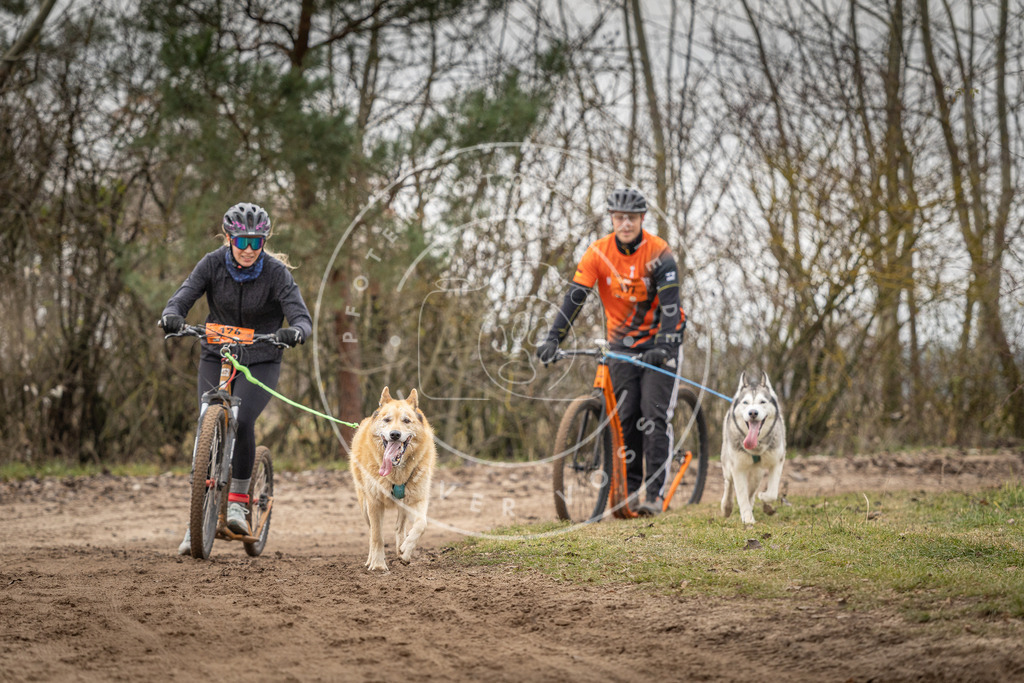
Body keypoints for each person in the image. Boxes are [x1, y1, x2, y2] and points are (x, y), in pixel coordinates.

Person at [159, 202, 312, 555]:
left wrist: (296, 332)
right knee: (205, 420)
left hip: (261, 358)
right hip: (218, 352)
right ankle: (196, 519)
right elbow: (183, 296)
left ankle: (240, 502)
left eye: (256, 242)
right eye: (241, 241)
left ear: (264, 241)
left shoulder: (275, 273)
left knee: (241, 420)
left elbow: (300, 316)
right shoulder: (212, 263)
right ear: (228, 237)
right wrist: (172, 314)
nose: (247, 250)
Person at [537, 187, 685, 516]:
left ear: (642, 219)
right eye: (619, 218)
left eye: (631, 218)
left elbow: (672, 307)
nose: (625, 223)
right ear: (612, 219)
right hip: (621, 344)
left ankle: (655, 493)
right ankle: (630, 490)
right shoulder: (598, 253)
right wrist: (553, 338)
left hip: (661, 341)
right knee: (626, 417)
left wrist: (664, 344)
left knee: (653, 414)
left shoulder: (659, 252)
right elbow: (574, 298)